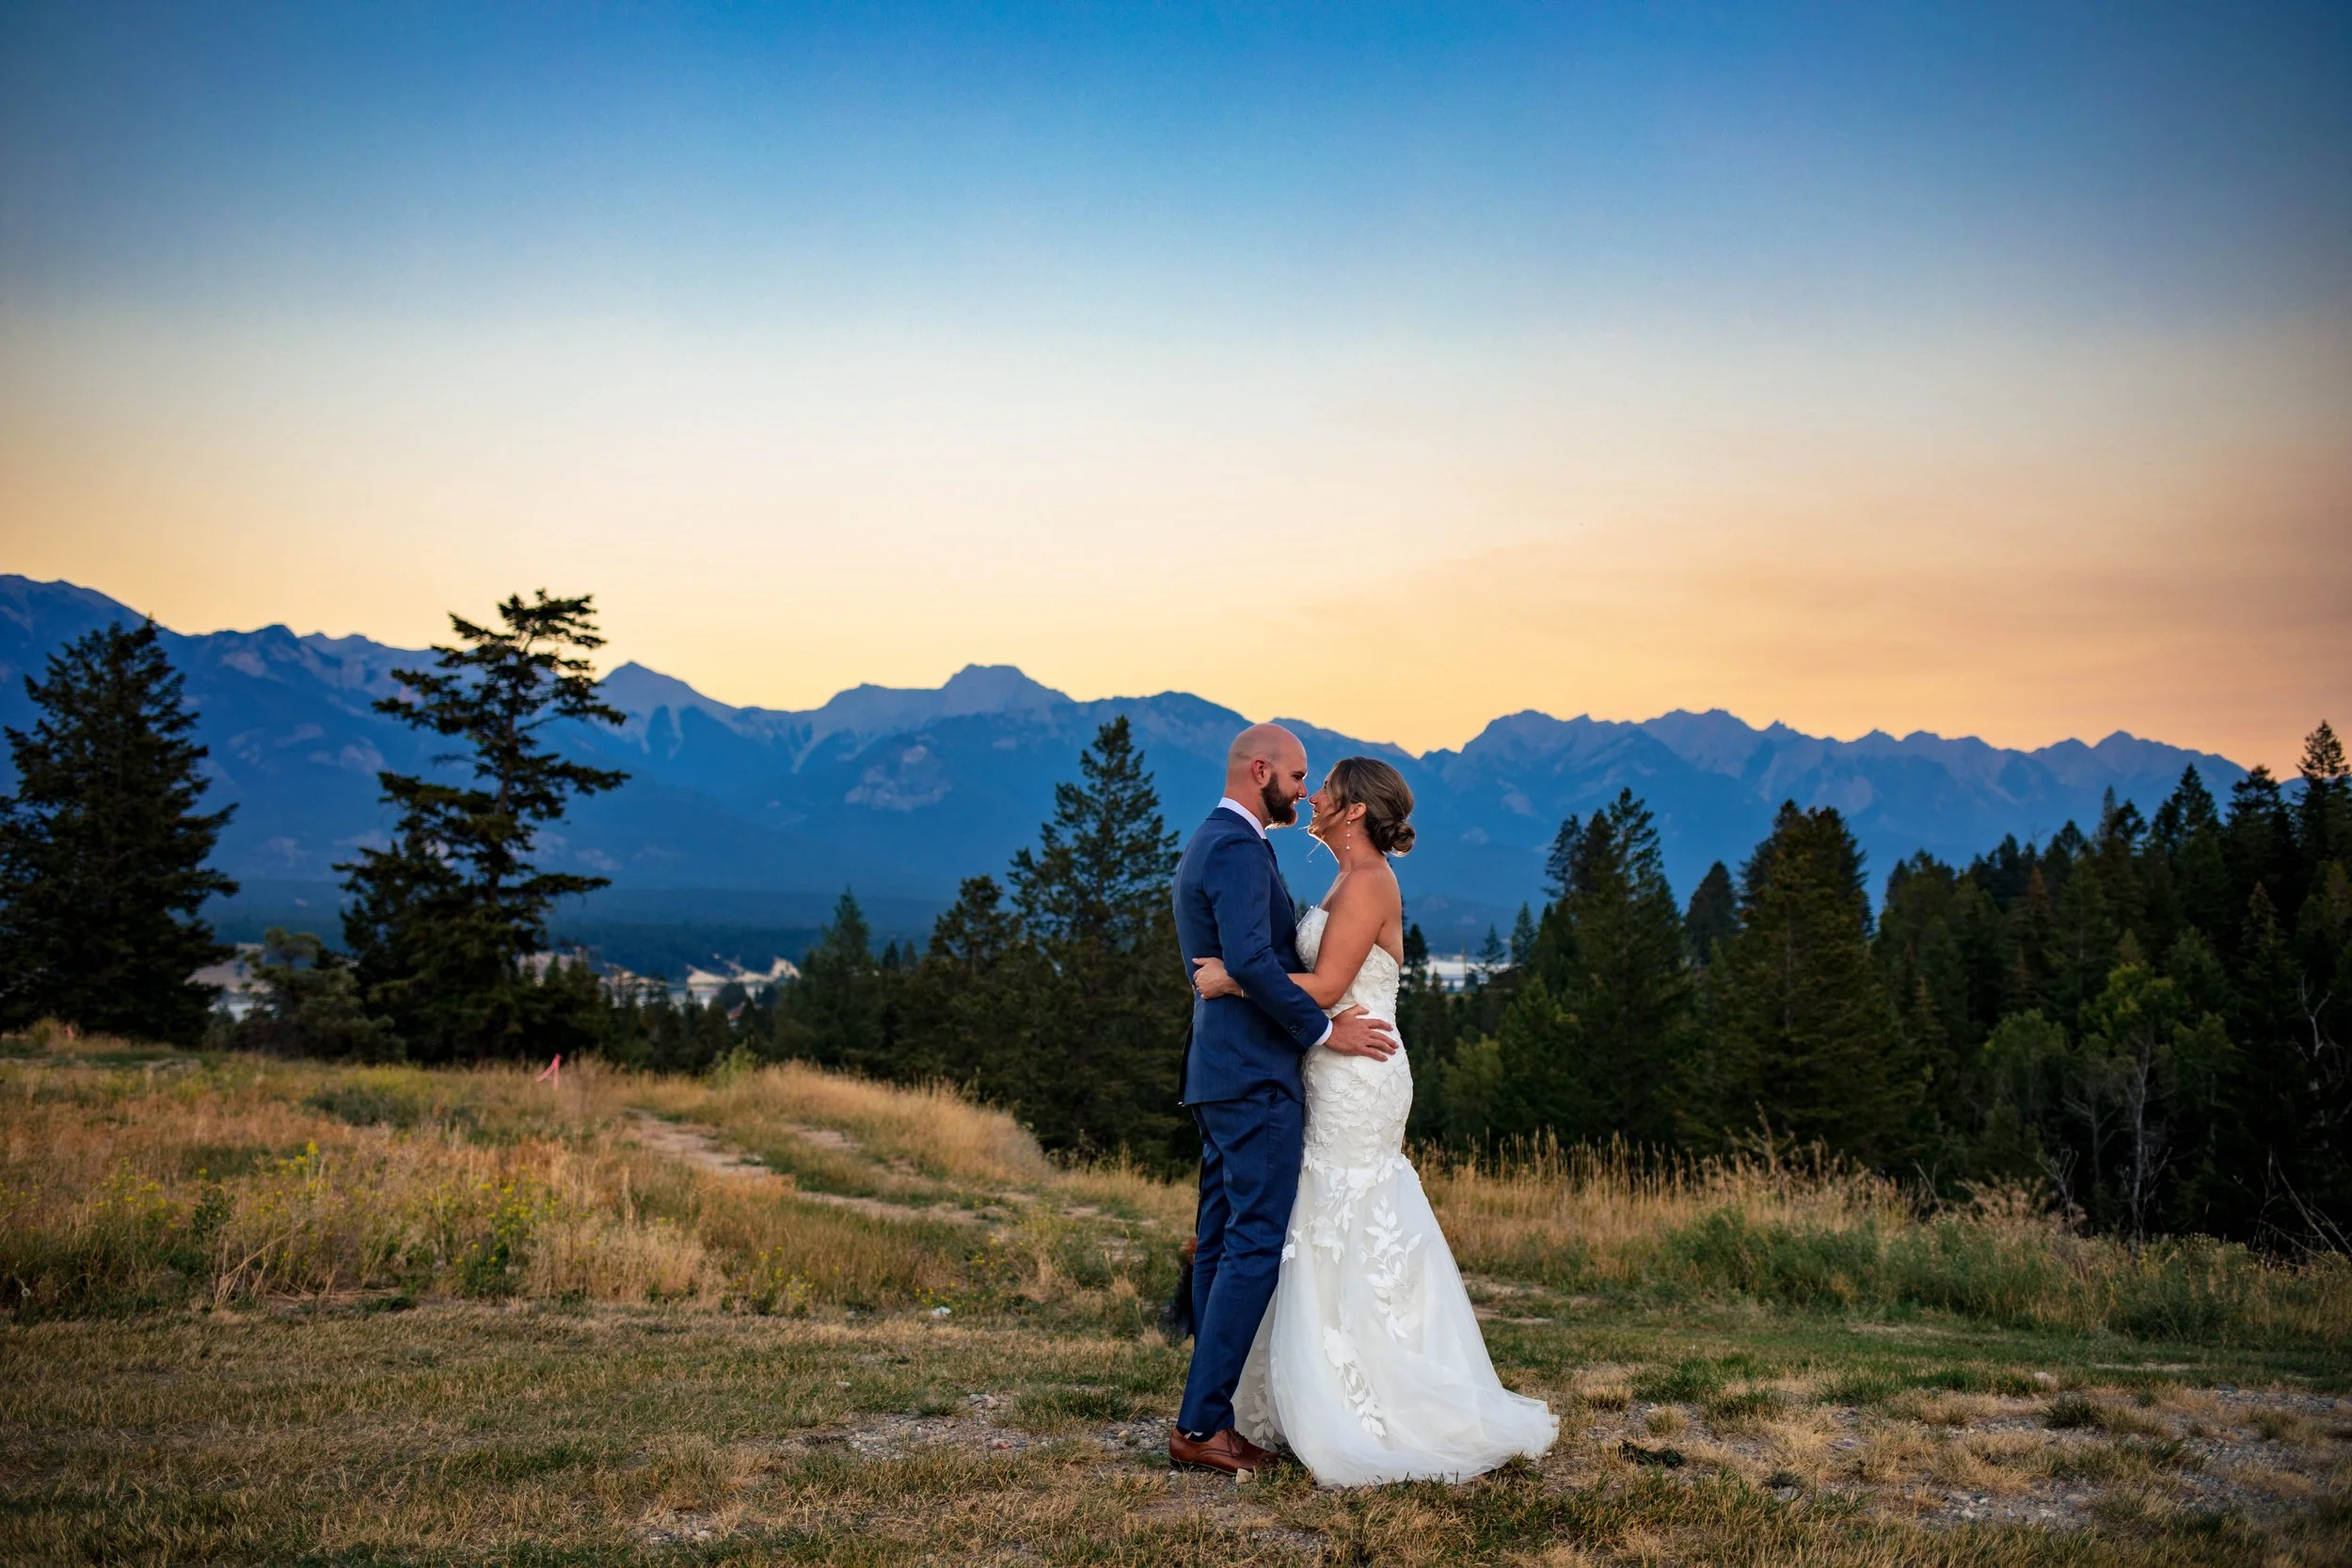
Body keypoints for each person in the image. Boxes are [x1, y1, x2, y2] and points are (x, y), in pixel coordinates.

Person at [1191, 754, 1558, 1485]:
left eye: (1325, 786)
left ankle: (1371, 1399)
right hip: (1330, 1063)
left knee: (1347, 1212)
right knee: (1318, 1216)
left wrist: (1234, 977)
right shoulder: (1346, 877)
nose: (1313, 795)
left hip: (1359, 1069)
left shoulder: (1368, 881)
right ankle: (1310, 1387)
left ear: (1354, 808)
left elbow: (1330, 984)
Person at [1167, 723, 1402, 1479]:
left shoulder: (1220, 840)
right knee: (1252, 1243)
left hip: (1227, 1070)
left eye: (1314, 783)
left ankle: (1209, 1415)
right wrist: (1325, 1029)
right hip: (1254, 1075)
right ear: (1261, 770)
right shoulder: (1237, 847)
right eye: (1299, 777)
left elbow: (1244, 963)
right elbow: (1249, 960)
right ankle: (1202, 1422)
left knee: (1222, 1241)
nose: (1305, 792)